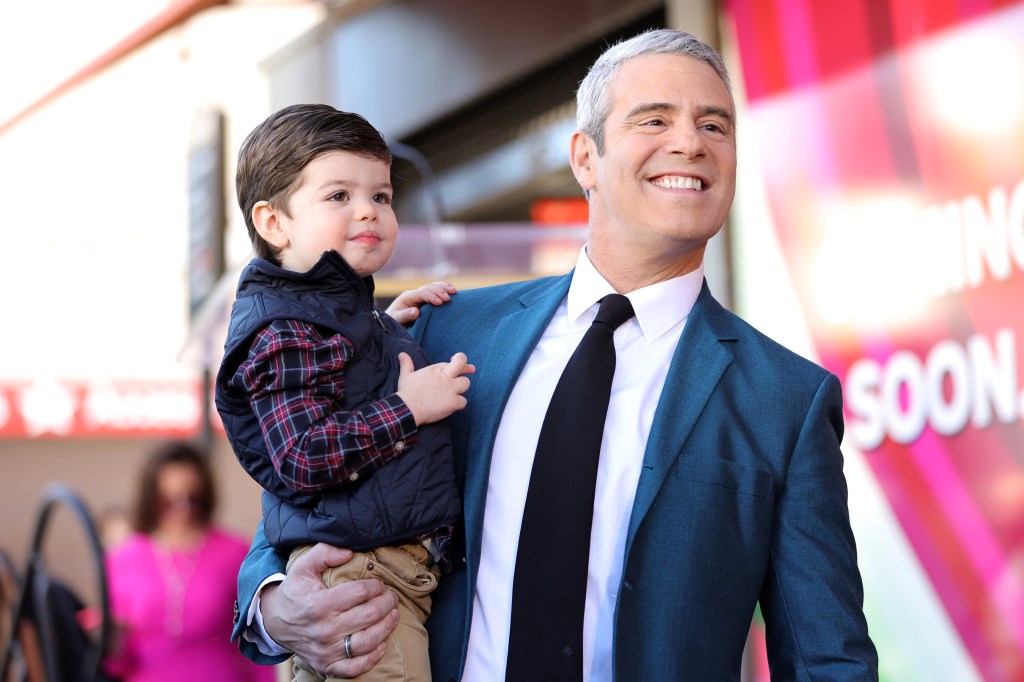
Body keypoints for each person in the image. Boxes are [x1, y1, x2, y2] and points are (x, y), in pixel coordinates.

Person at [234, 29, 880, 681]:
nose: (690, 142)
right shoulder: (445, 332)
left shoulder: (785, 400)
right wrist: (274, 606)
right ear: (585, 158)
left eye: (715, 125)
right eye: (654, 119)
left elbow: (826, 656)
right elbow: (309, 479)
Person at [215, 104, 473, 681]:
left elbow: (339, 380)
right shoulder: (285, 329)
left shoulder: (333, 314)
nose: (369, 210)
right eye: (338, 196)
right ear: (273, 222)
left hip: (376, 571)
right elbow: (304, 456)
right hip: (360, 582)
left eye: (381, 196)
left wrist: (389, 326)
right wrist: (407, 408)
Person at [103, 440, 275, 682]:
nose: (182, 508)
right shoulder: (123, 558)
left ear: (205, 495)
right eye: (169, 501)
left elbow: (259, 646)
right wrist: (111, 642)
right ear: (152, 499)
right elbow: (116, 662)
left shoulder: (235, 552)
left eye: (191, 498)